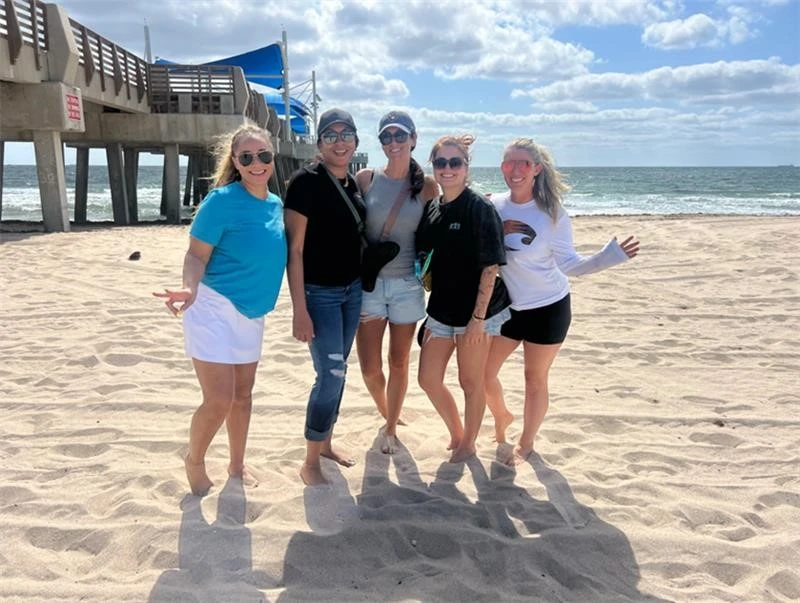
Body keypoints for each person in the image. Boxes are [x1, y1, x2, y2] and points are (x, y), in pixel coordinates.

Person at [484, 137, 640, 465]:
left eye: (523, 163)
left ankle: (525, 444)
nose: (514, 170)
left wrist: (609, 257)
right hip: (510, 308)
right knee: (485, 373)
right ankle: (502, 416)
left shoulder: (552, 214)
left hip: (548, 308)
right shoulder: (493, 205)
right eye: (509, 163)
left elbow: (570, 264)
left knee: (534, 378)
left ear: (537, 169)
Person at [153, 122, 286, 496]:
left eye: (264, 155)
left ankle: (237, 465)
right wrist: (188, 288)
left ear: (272, 158)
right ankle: (194, 460)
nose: (257, 163)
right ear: (236, 162)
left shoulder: (275, 204)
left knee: (244, 396)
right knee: (219, 400)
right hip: (212, 306)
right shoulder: (221, 201)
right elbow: (196, 255)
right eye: (247, 157)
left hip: (252, 313)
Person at [415, 134, 511, 463]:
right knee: (427, 379)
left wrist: (477, 321)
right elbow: (425, 256)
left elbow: (490, 268)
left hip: (476, 312)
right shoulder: (433, 208)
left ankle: (469, 442)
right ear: (434, 167)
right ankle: (457, 432)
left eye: (455, 162)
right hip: (441, 309)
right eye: (441, 163)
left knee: (470, 380)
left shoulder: (479, 208)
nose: (447, 169)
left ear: (466, 167)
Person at [284, 108, 364, 486]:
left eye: (346, 133)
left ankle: (327, 442)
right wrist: (299, 309)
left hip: (352, 292)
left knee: (340, 371)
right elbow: (294, 250)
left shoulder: (352, 185)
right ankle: (310, 460)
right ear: (319, 144)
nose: (339, 141)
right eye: (330, 135)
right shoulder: (305, 182)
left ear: (356, 141)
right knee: (329, 375)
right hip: (320, 294)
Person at [354, 110, 439, 455]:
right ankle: (386, 411)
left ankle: (390, 426)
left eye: (400, 136)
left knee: (399, 362)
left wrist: (497, 217)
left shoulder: (428, 186)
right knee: (371, 368)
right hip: (369, 285)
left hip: (407, 285)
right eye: (386, 137)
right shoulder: (365, 178)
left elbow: (457, 209)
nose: (393, 143)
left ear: (414, 140)